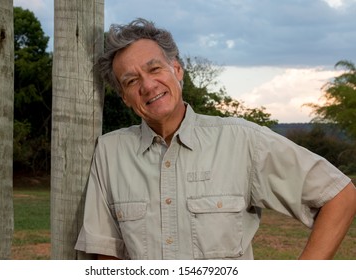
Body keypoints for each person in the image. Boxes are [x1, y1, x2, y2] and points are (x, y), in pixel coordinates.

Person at [75, 18, 356, 260]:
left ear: (177, 70)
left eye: (154, 69)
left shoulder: (243, 140)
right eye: (131, 81)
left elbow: (340, 195)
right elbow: (106, 255)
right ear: (124, 97)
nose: (148, 85)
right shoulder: (109, 153)